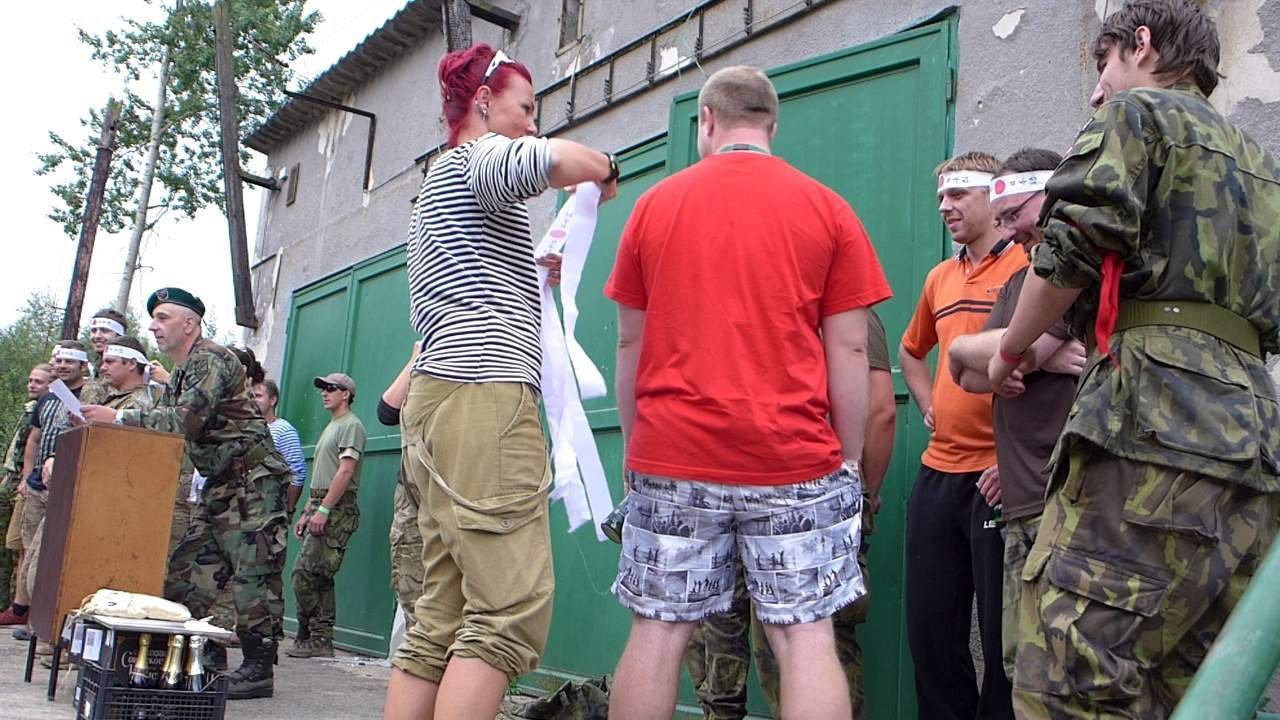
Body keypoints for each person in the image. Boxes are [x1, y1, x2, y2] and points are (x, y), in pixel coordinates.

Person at [987, 2, 1280, 715]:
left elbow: (1071, 251)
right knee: (1192, 684)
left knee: (1064, 676)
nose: (1097, 91)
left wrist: (1010, 349)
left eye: (1104, 63)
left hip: (1150, 422)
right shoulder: (1262, 166)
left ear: (1141, 45)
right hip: (1252, 440)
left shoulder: (1137, 114)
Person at [606, 66, 891, 720]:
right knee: (805, 635)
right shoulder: (828, 209)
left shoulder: (654, 207)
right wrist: (845, 459)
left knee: (658, 632)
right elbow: (850, 350)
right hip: (794, 458)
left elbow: (629, 343)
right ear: (772, 124)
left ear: (707, 120)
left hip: (673, 455)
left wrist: (636, 447)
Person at [383, 42, 619, 720]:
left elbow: (474, 280)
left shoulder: (439, 185)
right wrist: (605, 168)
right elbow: (547, 161)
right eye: (527, 107)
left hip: (439, 399)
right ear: (483, 102)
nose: (534, 123)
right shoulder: (480, 157)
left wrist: (532, 273)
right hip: (485, 396)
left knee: (441, 613)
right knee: (507, 613)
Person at [683, 310, 897, 720]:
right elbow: (880, 409)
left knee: (726, 648)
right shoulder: (845, 313)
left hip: (734, 490)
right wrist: (863, 492)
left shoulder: (740, 307)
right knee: (807, 643)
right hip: (804, 496)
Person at [80, 287, 291, 701]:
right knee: (187, 573)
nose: (153, 327)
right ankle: (202, 656)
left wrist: (119, 416)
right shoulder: (183, 370)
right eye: (154, 319)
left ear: (190, 324)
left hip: (252, 482)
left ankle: (258, 669)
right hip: (222, 485)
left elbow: (185, 421)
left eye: (163, 318)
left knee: (254, 576)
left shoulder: (210, 358)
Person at [946, 148, 1088, 681]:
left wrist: (1005, 356)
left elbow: (1020, 353)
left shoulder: (1072, 270)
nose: (1009, 232)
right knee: (1019, 663)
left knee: (1065, 666)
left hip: (1068, 498)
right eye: (1001, 220)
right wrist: (966, 350)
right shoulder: (1017, 284)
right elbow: (966, 375)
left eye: (1015, 216)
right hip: (1020, 498)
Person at [898, 152, 1023, 719]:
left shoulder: (1028, 264)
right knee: (931, 635)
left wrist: (1017, 461)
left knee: (1003, 642)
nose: (945, 207)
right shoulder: (939, 278)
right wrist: (931, 403)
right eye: (940, 197)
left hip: (999, 478)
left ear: (993, 197)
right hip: (938, 474)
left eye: (957, 195)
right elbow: (911, 350)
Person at [0, 342, 88, 641]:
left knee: (53, 554)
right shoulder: (48, 396)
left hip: (66, 485)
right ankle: (26, 612)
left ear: (83, 366)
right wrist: (26, 477)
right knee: (28, 550)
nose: (62, 366)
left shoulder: (89, 396)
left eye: (69, 361)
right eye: (59, 360)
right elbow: (34, 438)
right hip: (37, 482)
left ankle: (48, 618)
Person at [288, 372, 366, 659]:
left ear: (346, 394)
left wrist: (324, 509)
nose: (324, 392)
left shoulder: (351, 426)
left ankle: (318, 636)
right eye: (322, 388)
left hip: (337, 507)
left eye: (331, 388)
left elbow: (345, 472)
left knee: (306, 574)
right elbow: (323, 474)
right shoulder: (333, 426)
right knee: (317, 574)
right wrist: (308, 510)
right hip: (322, 503)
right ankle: (316, 636)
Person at [377, 343, 425, 629]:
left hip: (461, 492)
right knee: (412, 588)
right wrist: (417, 357)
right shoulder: (427, 356)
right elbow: (387, 411)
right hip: (415, 493)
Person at [0, 364, 53, 614]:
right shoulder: (37, 406)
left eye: (38, 381)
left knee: (28, 550)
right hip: (26, 481)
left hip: (43, 484)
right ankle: (17, 604)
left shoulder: (57, 402)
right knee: (17, 546)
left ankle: (23, 607)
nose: (32, 385)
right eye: (30, 380)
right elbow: (29, 443)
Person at [253, 379, 307, 515]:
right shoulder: (245, 429)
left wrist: (288, 509)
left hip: (269, 510)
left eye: (258, 396)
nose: (253, 400)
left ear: (272, 400)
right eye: (250, 396)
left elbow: (298, 472)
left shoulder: (284, 430)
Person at [81, 308, 129, 405]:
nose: (97, 336)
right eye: (94, 331)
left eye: (104, 331)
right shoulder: (94, 369)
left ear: (119, 336)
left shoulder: (129, 369)